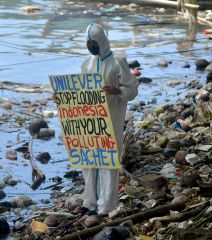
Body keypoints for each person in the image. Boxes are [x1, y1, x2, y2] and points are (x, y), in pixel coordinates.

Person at [81, 23, 138, 215]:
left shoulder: (117, 61)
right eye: (88, 43)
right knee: (89, 159)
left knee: (107, 161)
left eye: (94, 42)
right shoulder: (87, 62)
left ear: (102, 41)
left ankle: (106, 205)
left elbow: (132, 89)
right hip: (91, 119)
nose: (91, 46)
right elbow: (79, 90)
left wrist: (118, 91)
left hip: (111, 117)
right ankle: (90, 201)